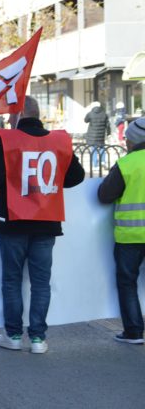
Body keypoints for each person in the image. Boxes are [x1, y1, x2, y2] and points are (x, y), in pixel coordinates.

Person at [0, 96, 84, 354]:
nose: (7, 120)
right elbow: (76, 176)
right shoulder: (59, 141)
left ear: (18, 115)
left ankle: (14, 335)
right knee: (41, 282)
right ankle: (38, 339)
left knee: (12, 280)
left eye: (10, 115)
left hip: (13, 222)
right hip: (46, 221)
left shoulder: (4, 141)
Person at [97, 117, 145, 344]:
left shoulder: (127, 164)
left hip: (131, 236)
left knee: (127, 282)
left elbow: (104, 195)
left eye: (127, 138)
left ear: (133, 141)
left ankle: (134, 331)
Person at [85, 102, 110, 169]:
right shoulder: (104, 114)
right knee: (102, 148)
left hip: (92, 136)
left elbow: (85, 120)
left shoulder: (90, 114)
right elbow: (108, 125)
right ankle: (103, 161)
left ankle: (95, 164)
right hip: (101, 136)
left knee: (94, 149)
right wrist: (108, 133)